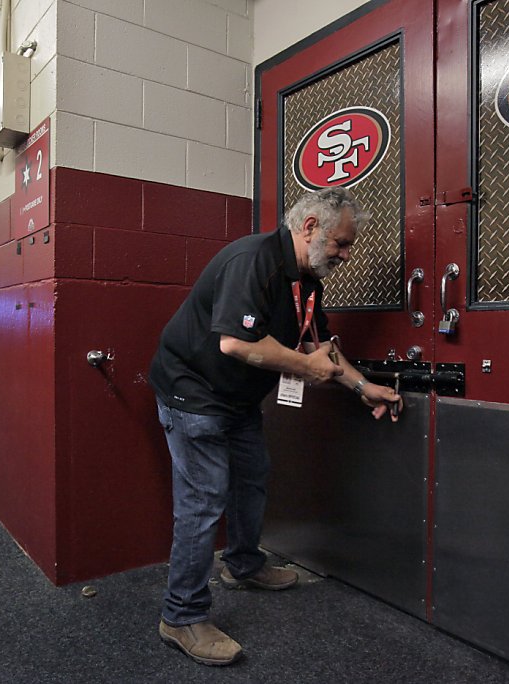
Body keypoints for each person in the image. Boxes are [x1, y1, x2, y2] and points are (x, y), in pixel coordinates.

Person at [149, 187, 403, 666]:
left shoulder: (307, 280)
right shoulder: (254, 261)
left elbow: (318, 347)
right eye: (340, 244)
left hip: (238, 397)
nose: (346, 255)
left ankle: (243, 565)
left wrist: (362, 387)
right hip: (194, 392)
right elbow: (235, 344)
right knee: (204, 499)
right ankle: (181, 615)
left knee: (252, 477)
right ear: (309, 227)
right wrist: (308, 371)